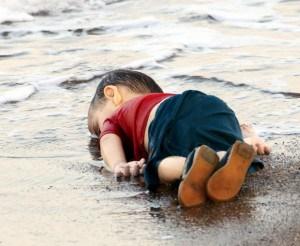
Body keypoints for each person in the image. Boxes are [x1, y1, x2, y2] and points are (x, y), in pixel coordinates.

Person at [88, 69, 271, 207]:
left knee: (155, 168)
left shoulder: (118, 115)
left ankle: (188, 166)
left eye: (99, 125)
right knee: (217, 143)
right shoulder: (166, 98)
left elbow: (108, 140)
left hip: (168, 118)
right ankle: (227, 156)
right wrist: (250, 135)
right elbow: (230, 126)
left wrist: (118, 164)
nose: (102, 131)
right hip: (214, 107)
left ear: (112, 93)